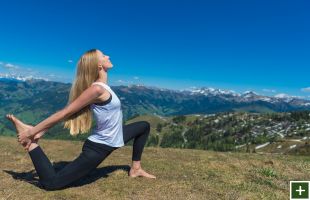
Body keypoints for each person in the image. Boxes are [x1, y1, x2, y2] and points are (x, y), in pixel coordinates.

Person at [6, 49, 156, 191]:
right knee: (52, 184)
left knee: (144, 126)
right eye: (104, 56)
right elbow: (64, 113)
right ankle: (32, 144)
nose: (108, 56)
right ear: (99, 65)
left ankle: (136, 169)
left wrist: (42, 131)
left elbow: (77, 112)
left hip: (115, 136)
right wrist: (32, 132)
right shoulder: (97, 90)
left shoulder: (104, 87)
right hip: (100, 146)